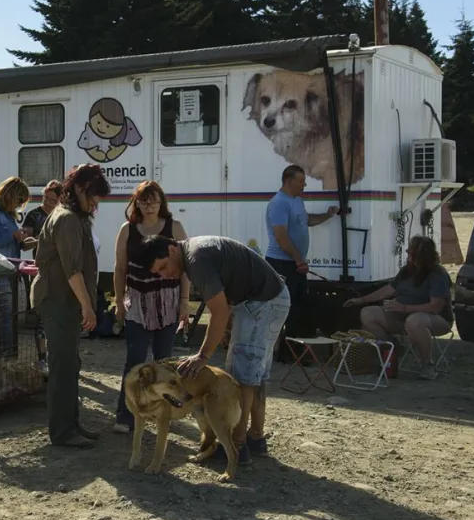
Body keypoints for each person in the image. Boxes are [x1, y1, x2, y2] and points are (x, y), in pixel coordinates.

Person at [137, 235, 290, 465]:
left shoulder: (196, 260)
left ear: (171, 250)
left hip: (262, 303)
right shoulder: (196, 252)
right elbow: (226, 300)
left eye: (163, 267)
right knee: (254, 376)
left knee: (241, 377)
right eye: (158, 273)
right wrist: (226, 329)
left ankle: (238, 446)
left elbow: (218, 311)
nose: (164, 275)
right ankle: (256, 439)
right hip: (272, 298)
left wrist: (203, 355)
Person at [30, 164, 111, 448]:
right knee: (62, 366)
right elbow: (72, 271)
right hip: (58, 301)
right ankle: (62, 432)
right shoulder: (66, 220)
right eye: (93, 196)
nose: (96, 203)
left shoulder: (77, 217)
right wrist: (88, 307)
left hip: (67, 302)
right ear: (78, 189)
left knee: (70, 364)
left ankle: (72, 424)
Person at [111, 181, 190, 434]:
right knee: (135, 361)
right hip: (137, 304)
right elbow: (120, 268)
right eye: (143, 200)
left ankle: (164, 413)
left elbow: (186, 267)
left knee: (164, 362)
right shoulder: (128, 230)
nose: (149, 205)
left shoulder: (174, 227)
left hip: (168, 303)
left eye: (154, 200)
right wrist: (118, 302)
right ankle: (126, 415)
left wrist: (185, 303)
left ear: (162, 201)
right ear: (136, 203)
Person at [343, 235, 453, 380]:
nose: (407, 252)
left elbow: (435, 307)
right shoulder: (407, 270)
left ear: (420, 255)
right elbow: (389, 289)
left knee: (415, 321)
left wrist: (404, 308)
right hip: (403, 316)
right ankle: (392, 349)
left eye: (411, 251)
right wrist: (361, 300)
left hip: (436, 319)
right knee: (368, 313)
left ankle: (428, 364)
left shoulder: (437, 274)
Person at [265, 165, 338, 331]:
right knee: (283, 308)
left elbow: (306, 221)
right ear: (289, 181)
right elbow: (281, 236)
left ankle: (295, 347)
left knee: (298, 306)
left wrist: (327, 215)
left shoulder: (297, 200)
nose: (304, 185)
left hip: (295, 264)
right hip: (281, 264)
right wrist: (299, 260)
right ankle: (280, 351)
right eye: (301, 181)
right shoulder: (279, 203)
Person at [0, 177, 33, 359]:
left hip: (9, 268)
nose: (19, 206)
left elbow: (12, 240)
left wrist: (24, 242)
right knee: (6, 311)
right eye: (19, 201)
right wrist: (13, 235)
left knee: (9, 312)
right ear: (10, 194)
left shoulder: (8, 213)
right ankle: (7, 354)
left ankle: (7, 352)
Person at [21, 180, 61, 376]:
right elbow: (24, 244)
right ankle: (42, 359)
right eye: (46, 198)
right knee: (42, 318)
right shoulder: (34, 215)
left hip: (62, 271)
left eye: (53, 200)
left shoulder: (64, 215)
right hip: (42, 271)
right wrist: (41, 240)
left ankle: (58, 358)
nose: (48, 203)